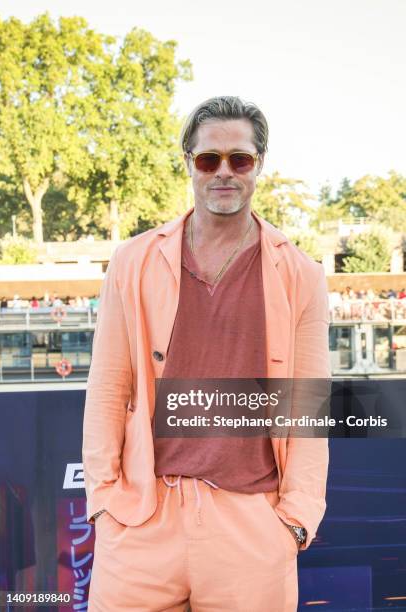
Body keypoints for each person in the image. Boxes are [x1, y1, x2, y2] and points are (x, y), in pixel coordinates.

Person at [83, 96, 331, 611]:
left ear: (258, 165)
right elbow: (109, 384)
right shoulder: (133, 261)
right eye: (208, 159)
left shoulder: (300, 274)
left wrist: (296, 520)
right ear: (188, 163)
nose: (224, 172)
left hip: (251, 527)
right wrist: (103, 501)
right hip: (142, 521)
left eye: (239, 159)